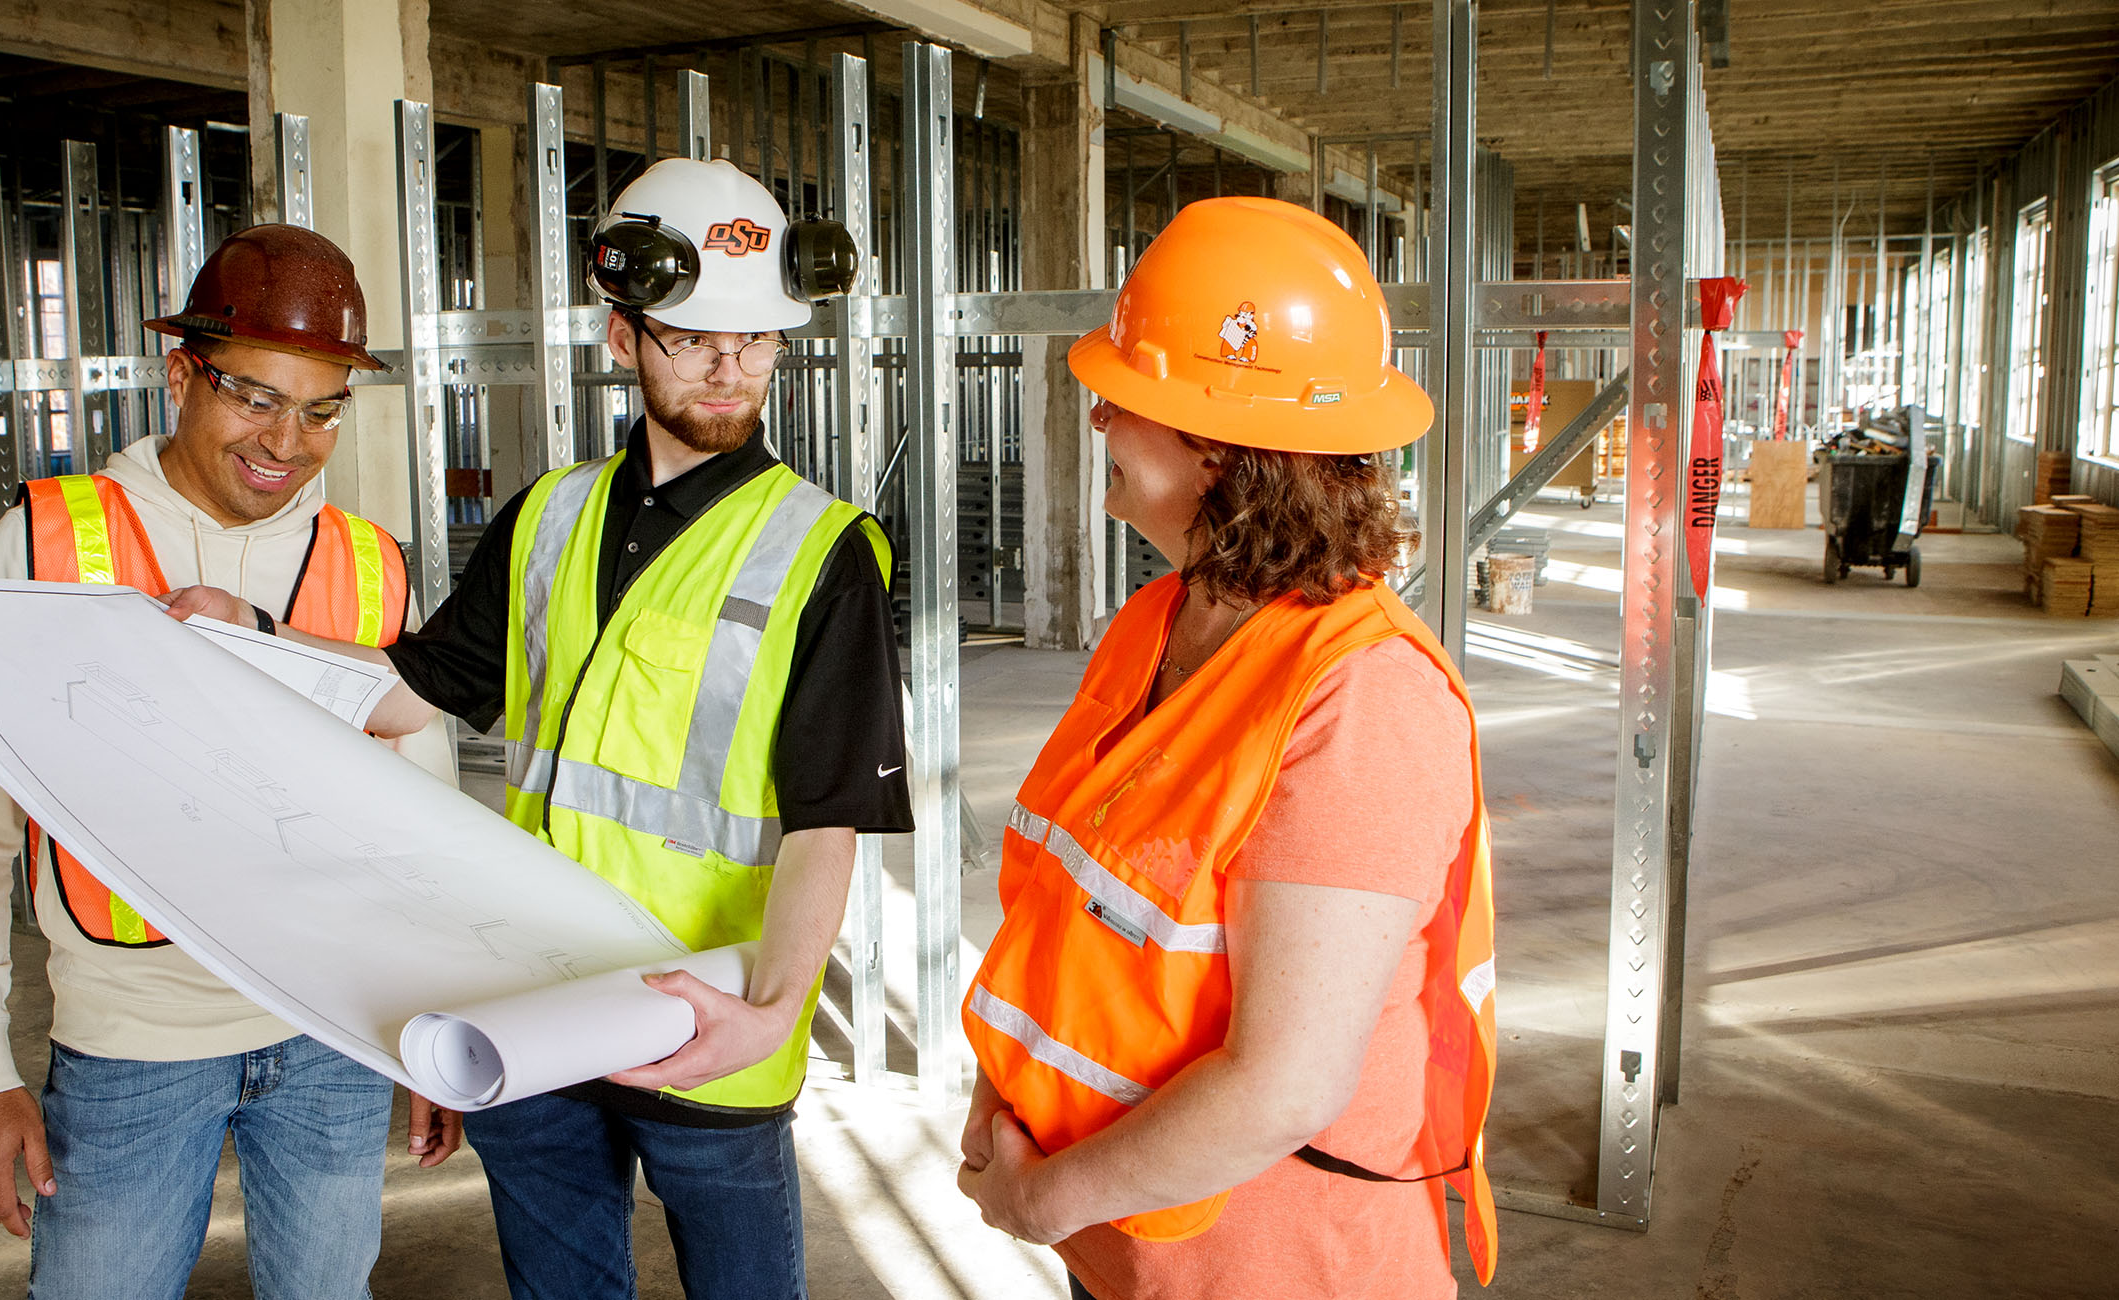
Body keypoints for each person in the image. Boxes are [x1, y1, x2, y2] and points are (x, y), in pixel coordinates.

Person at [167, 156, 911, 1300]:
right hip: (543, 1005)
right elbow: (406, 691)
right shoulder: (546, 517)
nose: (732, 368)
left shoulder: (823, 552)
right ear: (623, 340)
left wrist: (767, 1017)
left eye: (758, 342)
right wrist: (249, 632)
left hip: (705, 1021)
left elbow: (829, 822)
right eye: (694, 338)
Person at [951, 196, 1500, 1300]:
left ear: (1217, 448)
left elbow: (1282, 1086)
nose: (1099, 420)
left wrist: (1032, 1200)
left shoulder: (1365, 703)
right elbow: (1077, 914)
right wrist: (1008, 1105)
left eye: (1125, 398)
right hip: (1128, 1242)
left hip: (1275, 1271)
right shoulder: (1158, 617)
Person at [0, 224, 440, 1299]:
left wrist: (433, 1022)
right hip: (130, 1047)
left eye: (322, 407)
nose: (288, 440)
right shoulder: (49, 548)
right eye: (255, 396)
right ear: (181, 373)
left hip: (335, 1038)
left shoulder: (369, 567)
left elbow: (426, 832)